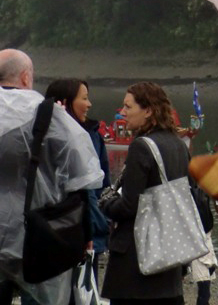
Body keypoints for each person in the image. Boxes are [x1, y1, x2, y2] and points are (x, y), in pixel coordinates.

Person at [0, 50, 103, 305]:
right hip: (40, 232)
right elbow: (83, 177)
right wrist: (85, 232)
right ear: (25, 77)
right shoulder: (47, 113)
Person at [101, 82, 196, 305]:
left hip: (136, 262)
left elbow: (130, 205)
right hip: (170, 254)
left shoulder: (142, 146)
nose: (123, 112)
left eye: (128, 107)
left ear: (148, 110)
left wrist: (105, 203)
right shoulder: (179, 145)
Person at [44, 78, 111, 276]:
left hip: (91, 235)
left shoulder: (93, 135)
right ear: (64, 102)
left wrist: (100, 223)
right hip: (51, 231)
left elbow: (102, 187)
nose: (89, 104)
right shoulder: (41, 137)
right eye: (84, 98)